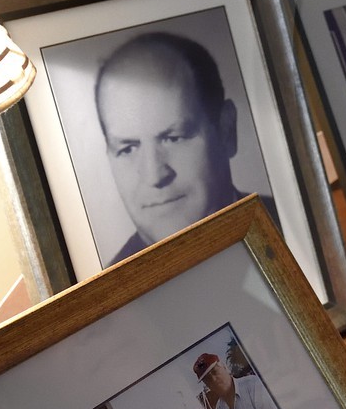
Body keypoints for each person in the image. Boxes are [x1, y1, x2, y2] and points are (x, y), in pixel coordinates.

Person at [93, 31, 275, 265]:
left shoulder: (296, 229)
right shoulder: (112, 299)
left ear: (226, 130)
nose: (154, 175)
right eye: (127, 149)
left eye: (173, 138)